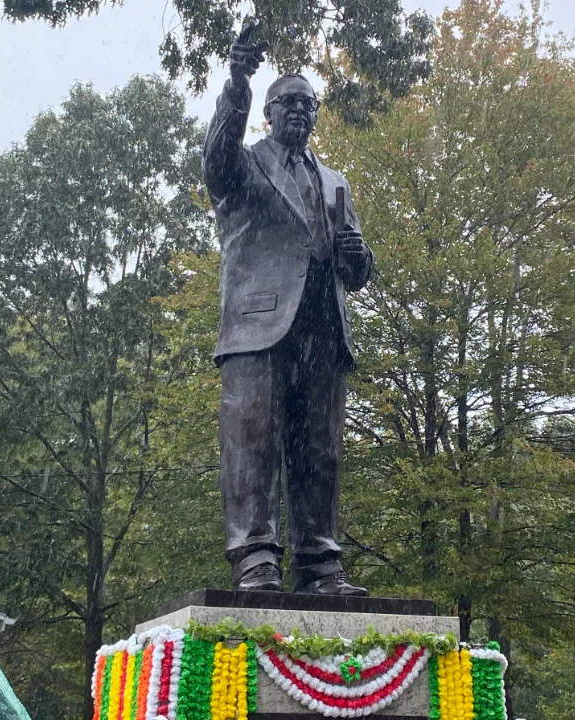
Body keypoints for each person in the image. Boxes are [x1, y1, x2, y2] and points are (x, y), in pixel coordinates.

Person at [203, 19, 373, 596]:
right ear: (269, 113)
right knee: (253, 444)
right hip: (259, 327)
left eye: (308, 103)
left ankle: (319, 564)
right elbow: (216, 163)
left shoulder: (334, 181)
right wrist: (237, 81)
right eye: (288, 103)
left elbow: (356, 270)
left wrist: (359, 254)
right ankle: (255, 557)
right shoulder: (247, 165)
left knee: (319, 450)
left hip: (323, 330)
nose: (299, 111)